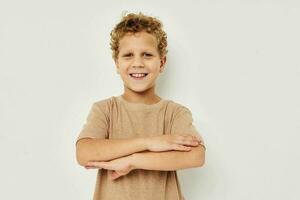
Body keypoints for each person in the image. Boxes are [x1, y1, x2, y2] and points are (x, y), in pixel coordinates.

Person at [75, 11, 206, 200]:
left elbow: (196, 156)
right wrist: (149, 143)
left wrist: (133, 161)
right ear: (117, 63)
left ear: (162, 63)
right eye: (128, 55)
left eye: (147, 55)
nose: (138, 63)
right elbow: (84, 153)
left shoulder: (174, 113)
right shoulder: (105, 110)